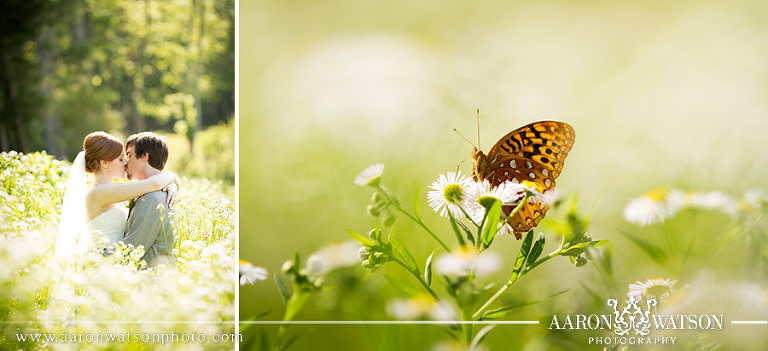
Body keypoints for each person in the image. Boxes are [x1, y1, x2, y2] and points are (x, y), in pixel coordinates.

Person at [54, 131, 177, 267]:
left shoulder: (119, 191)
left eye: (127, 156)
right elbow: (152, 184)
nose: (126, 162)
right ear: (105, 163)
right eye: (120, 159)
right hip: (106, 264)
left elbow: (149, 187)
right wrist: (172, 177)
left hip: (118, 264)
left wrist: (171, 184)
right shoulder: (97, 193)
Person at [121, 132, 177, 268]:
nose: (125, 161)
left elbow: (132, 251)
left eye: (129, 155)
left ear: (144, 156)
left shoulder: (152, 199)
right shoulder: (151, 192)